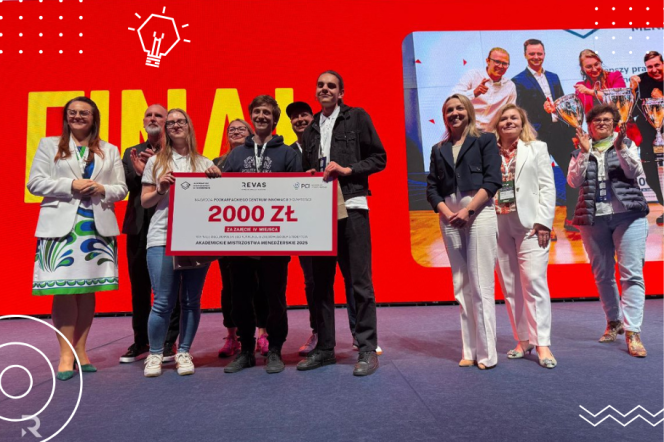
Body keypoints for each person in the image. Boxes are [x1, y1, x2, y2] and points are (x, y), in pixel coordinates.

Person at [28, 96, 128, 380]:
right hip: (61, 228)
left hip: (95, 228)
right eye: (72, 112)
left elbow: (121, 189)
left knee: (86, 290)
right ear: (66, 117)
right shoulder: (49, 145)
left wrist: (101, 188)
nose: (78, 116)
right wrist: (71, 184)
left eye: (84, 112)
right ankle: (65, 356)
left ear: (94, 118)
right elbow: (35, 183)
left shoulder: (109, 149)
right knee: (63, 290)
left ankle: (81, 352)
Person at [297, 71, 387, 376]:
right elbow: (308, 169)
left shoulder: (357, 117)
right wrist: (310, 175)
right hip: (320, 213)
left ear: (341, 93)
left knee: (359, 282)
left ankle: (366, 349)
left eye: (331, 85)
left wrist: (348, 169)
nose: (325, 89)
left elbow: (379, 158)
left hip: (352, 206)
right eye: (320, 85)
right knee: (321, 284)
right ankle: (325, 349)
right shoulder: (310, 129)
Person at [211, 95, 302, 374]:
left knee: (275, 298)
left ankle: (274, 350)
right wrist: (212, 177)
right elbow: (221, 193)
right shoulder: (236, 155)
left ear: (274, 120)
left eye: (267, 113)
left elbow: (298, 193)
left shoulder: (287, 154)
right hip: (240, 241)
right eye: (257, 112)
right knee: (240, 298)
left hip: (276, 240)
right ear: (252, 116)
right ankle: (246, 351)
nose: (261, 116)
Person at [425, 94, 502, 369]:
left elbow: (493, 180)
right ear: (444, 116)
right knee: (461, 285)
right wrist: (447, 213)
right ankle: (469, 350)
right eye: (449, 110)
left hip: (478, 213)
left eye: (459, 108)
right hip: (449, 217)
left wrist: (468, 211)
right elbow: (432, 188)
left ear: (469, 111)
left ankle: (487, 354)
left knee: (481, 284)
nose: (454, 113)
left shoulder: (485, 140)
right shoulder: (438, 148)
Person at [567, 104, 649, 358]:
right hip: (593, 219)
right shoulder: (580, 149)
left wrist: (620, 147)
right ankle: (614, 322)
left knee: (631, 274)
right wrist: (584, 152)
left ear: (614, 123)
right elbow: (573, 181)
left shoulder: (626, 144)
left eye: (606, 119)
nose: (601, 123)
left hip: (629, 216)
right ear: (589, 126)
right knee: (603, 275)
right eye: (596, 120)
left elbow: (634, 172)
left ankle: (633, 331)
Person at [141, 109, 215, 377]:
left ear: (189, 126)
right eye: (170, 122)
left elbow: (216, 201)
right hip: (162, 237)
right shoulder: (155, 161)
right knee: (162, 301)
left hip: (196, 238)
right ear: (166, 129)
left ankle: (183, 351)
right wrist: (160, 188)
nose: (175, 125)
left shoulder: (205, 163)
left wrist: (217, 180)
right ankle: (155, 354)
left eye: (180, 121)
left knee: (191, 301)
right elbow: (145, 201)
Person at [488, 104, 557, 368]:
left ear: (522, 122)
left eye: (514, 118)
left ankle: (542, 344)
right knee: (510, 285)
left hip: (530, 224)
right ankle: (523, 339)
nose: (508, 122)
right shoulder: (488, 151)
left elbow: (547, 186)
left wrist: (544, 222)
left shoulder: (537, 148)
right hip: (497, 222)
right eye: (503, 118)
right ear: (497, 125)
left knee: (534, 281)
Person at [119, 104, 181, 364]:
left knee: (171, 286)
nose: (153, 118)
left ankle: (168, 342)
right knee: (139, 286)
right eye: (149, 115)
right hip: (138, 226)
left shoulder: (177, 151)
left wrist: (153, 169)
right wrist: (140, 172)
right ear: (143, 120)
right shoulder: (131, 152)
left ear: (167, 122)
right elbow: (125, 186)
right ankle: (141, 340)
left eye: (158, 115)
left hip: (170, 225)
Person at [211, 119, 270, 358]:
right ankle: (232, 336)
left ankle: (263, 333)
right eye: (231, 129)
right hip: (227, 233)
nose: (235, 131)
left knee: (261, 284)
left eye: (241, 128)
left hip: (258, 231)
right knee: (230, 286)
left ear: (250, 133)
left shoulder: (259, 160)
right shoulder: (216, 163)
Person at [512, 38, 577, 234]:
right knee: (537, 182)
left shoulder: (554, 77)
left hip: (560, 134)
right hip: (537, 135)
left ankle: (572, 218)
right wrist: (542, 112)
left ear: (544, 54)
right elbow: (521, 111)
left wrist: (572, 132)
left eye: (539, 53)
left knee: (572, 174)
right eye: (532, 54)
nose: (536, 57)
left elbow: (564, 106)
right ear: (525, 55)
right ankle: (542, 224)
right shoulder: (518, 80)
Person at [630, 50, 664, 224]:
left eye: (657, 65)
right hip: (648, 137)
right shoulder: (641, 81)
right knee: (650, 175)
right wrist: (632, 90)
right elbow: (632, 111)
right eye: (649, 67)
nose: (654, 69)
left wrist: (662, 99)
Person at [451, 47, 517, 131]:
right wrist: (474, 93)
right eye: (497, 62)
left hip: (491, 133)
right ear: (488, 61)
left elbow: (510, 112)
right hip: (466, 128)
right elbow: (452, 99)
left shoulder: (510, 86)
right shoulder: (473, 75)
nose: (501, 66)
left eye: (504, 63)